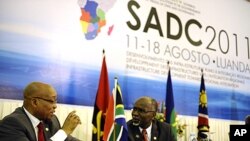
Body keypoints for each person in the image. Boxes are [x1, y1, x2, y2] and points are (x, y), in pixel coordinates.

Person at [0, 81, 82, 141]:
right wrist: (64, 131)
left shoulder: (51, 120)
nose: (55, 106)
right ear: (34, 102)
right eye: (51, 101)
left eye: (55, 101)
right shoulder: (12, 123)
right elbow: (61, 135)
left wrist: (64, 133)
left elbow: (66, 139)